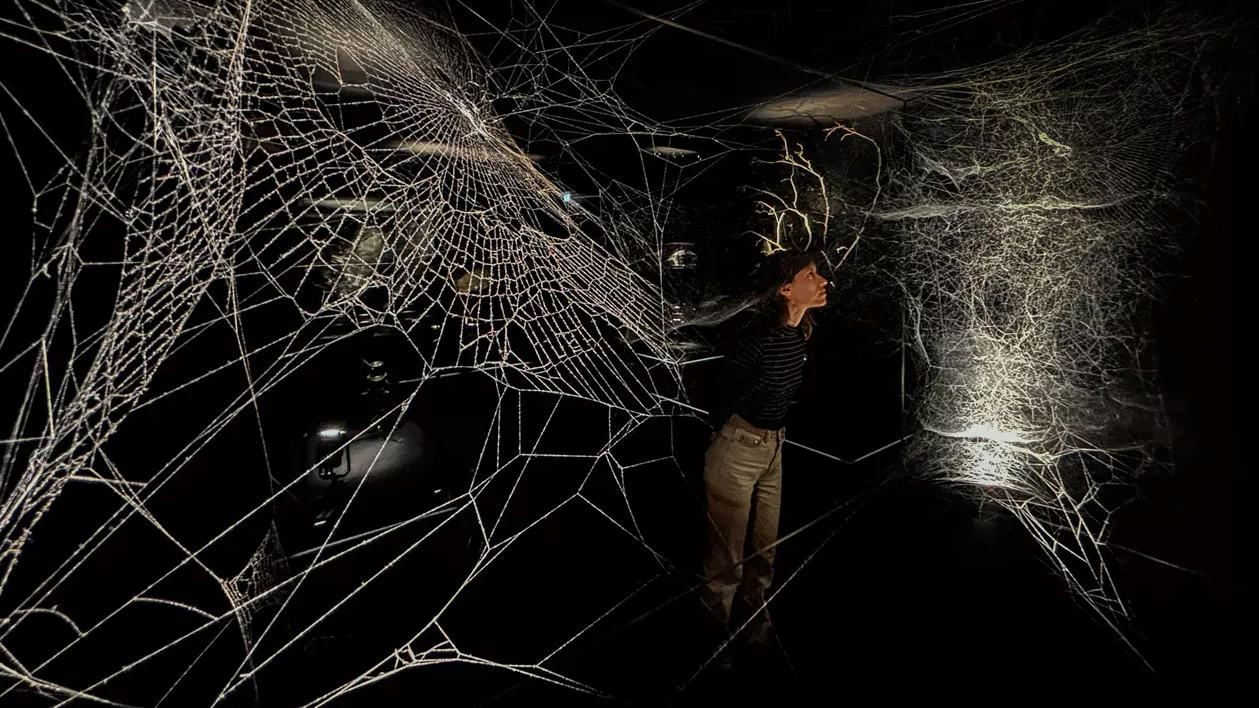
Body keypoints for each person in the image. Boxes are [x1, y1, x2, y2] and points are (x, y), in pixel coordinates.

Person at [700, 249, 828, 670]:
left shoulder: (798, 335)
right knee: (727, 562)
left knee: (765, 553)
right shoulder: (759, 340)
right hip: (738, 448)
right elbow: (723, 389)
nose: (822, 279)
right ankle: (713, 650)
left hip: (773, 448)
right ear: (786, 289)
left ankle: (757, 633)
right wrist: (731, 434)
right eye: (811, 274)